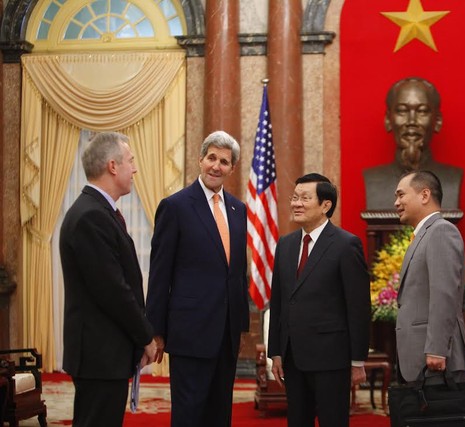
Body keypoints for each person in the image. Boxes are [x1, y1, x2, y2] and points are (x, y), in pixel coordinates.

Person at [145, 130, 249, 427]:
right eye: (211, 158)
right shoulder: (175, 206)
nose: (216, 166)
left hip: (226, 334)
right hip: (189, 333)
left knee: (220, 414)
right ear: (200, 160)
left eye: (224, 162)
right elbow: (160, 273)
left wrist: (240, 324)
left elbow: (237, 272)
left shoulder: (238, 209)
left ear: (232, 168)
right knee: (189, 415)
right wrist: (156, 330)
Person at [59, 131, 157, 427]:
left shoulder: (98, 211)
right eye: (130, 160)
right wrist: (145, 337)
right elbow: (114, 291)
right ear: (113, 166)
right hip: (99, 355)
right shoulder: (91, 216)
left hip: (104, 354)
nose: (135, 169)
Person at [268, 173, 371, 427]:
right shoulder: (286, 244)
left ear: (326, 205)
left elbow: (358, 307)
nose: (296, 204)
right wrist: (276, 352)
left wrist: (357, 360)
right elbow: (278, 302)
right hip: (292, 357)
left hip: (331, 358)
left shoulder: (346, 245)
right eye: (294, 198)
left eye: (305, 198)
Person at [393, 170, 465, 384]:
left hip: (437, 362)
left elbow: (444, 294)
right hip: (420, 360)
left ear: (425, 195)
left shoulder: (441, 231)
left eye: (401, 195)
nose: (396, 203)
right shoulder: (424, 234)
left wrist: (437, 349)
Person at [363, 77, 463, 211]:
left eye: (422, 111)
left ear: (438, 121)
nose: (411, 121)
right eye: (402, 111)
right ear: (388, 120)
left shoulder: (452, 179)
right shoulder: (373, 179)